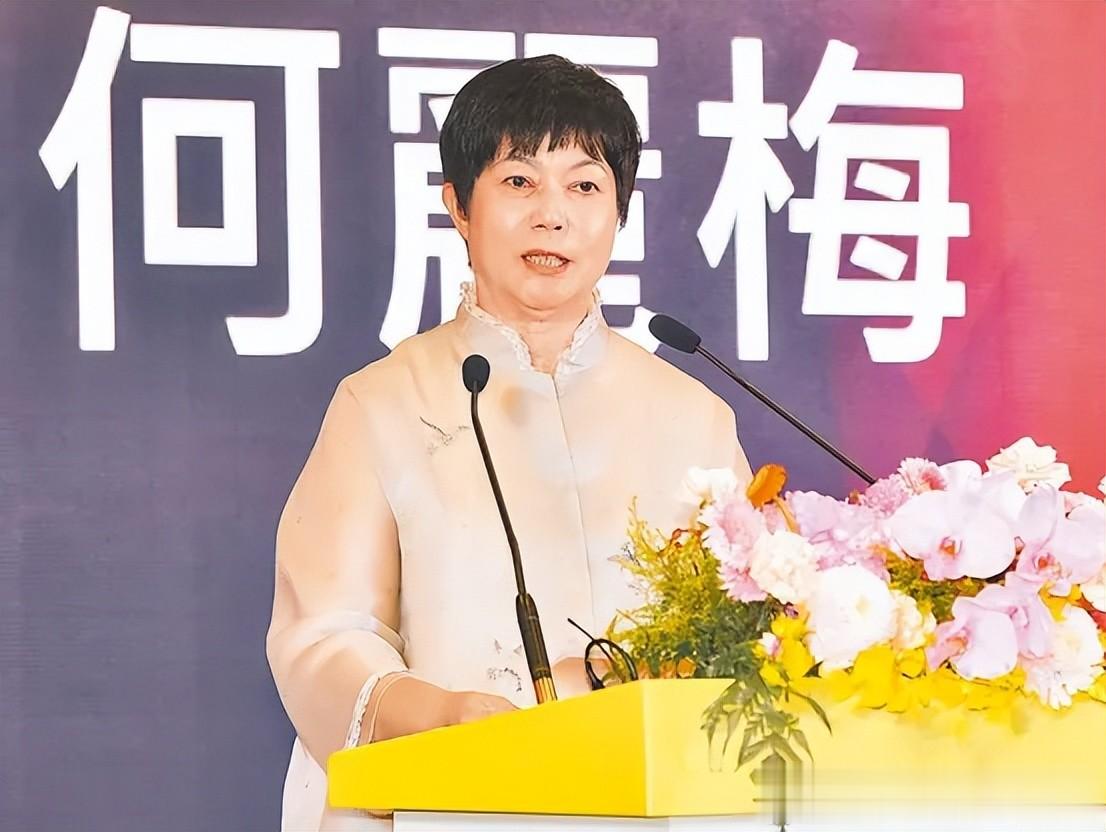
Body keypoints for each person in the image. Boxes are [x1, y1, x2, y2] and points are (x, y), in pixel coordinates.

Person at [266, 54, 753, 831]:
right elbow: (326, 634)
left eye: (585, 186)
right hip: (450, 804)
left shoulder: (695, 416)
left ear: (620, 212)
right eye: (519, 181)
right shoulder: (382, 402)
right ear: (459, 206)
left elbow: (747, 632)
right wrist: (436, 714)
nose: (552, 215)